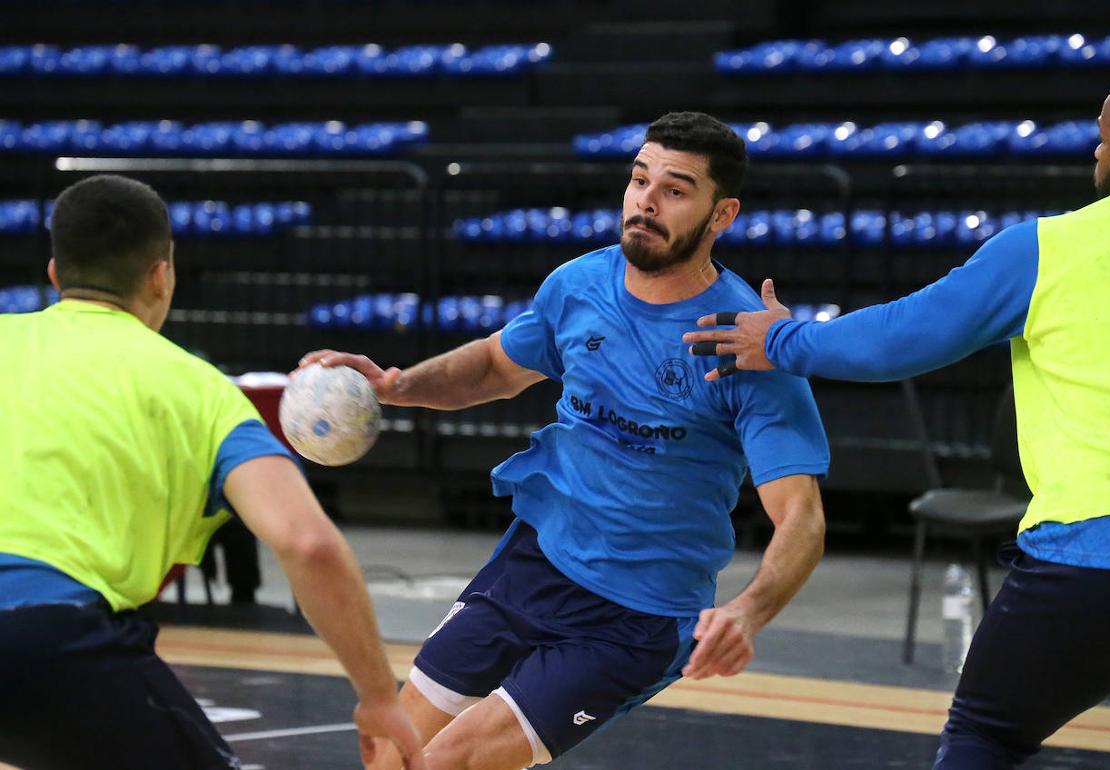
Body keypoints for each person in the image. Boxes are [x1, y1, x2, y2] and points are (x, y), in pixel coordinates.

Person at [683, 70, 1110, 768]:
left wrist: (780, 339)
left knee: (984, 737)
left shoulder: (1048, 246)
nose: (1093, 158)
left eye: (1104, 143)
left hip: (1099, 557)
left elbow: (902, 338)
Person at [300, 111, 831, 770]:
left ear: (721, 215)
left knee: (449, 761)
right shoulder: (579, 284)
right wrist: (395, 384)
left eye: (675, 189)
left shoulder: (744, 344)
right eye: (640, 180)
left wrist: (748, 612)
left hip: (635, 615)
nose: (646, 201)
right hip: (533, 563)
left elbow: (800, 516)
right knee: (394, 752)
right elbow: (496, 366)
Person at [0, 175, 425, 770]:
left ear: (54, 274)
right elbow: (306, 542)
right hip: (50, 636)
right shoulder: (199, 389)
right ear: (161, 275)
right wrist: (380, 696)